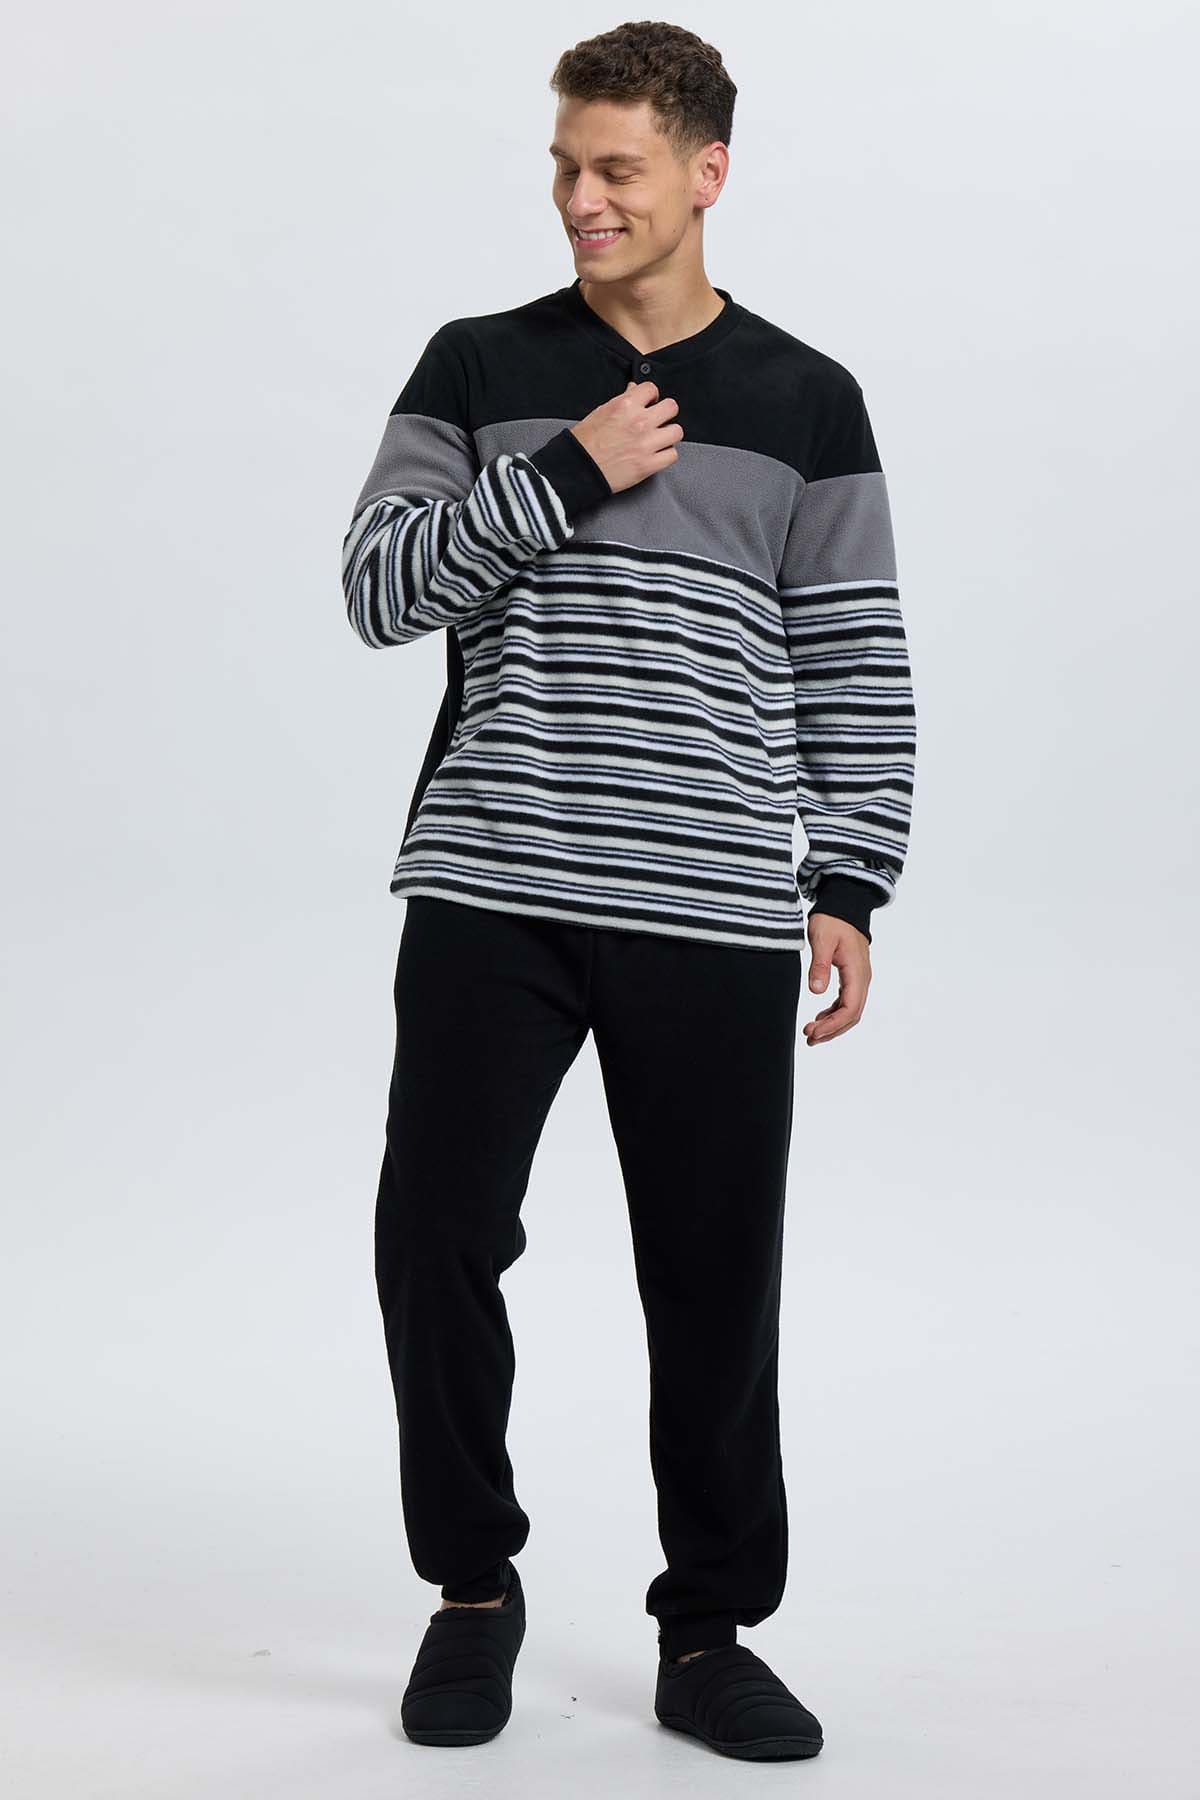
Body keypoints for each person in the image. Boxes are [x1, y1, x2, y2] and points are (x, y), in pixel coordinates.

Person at [341, 19, 917, 1762]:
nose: (582, 199)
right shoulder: (479, 363)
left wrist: (851, 877)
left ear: (706, 172)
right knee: (434, 1242)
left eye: (617, 169)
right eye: (564, 167)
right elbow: (378, 592)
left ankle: (709, 1629)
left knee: (716, 1277)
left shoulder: (809, 399)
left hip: (711, 907)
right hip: (493, 882)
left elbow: (853, 656)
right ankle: (473, 1592)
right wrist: (562, 472)